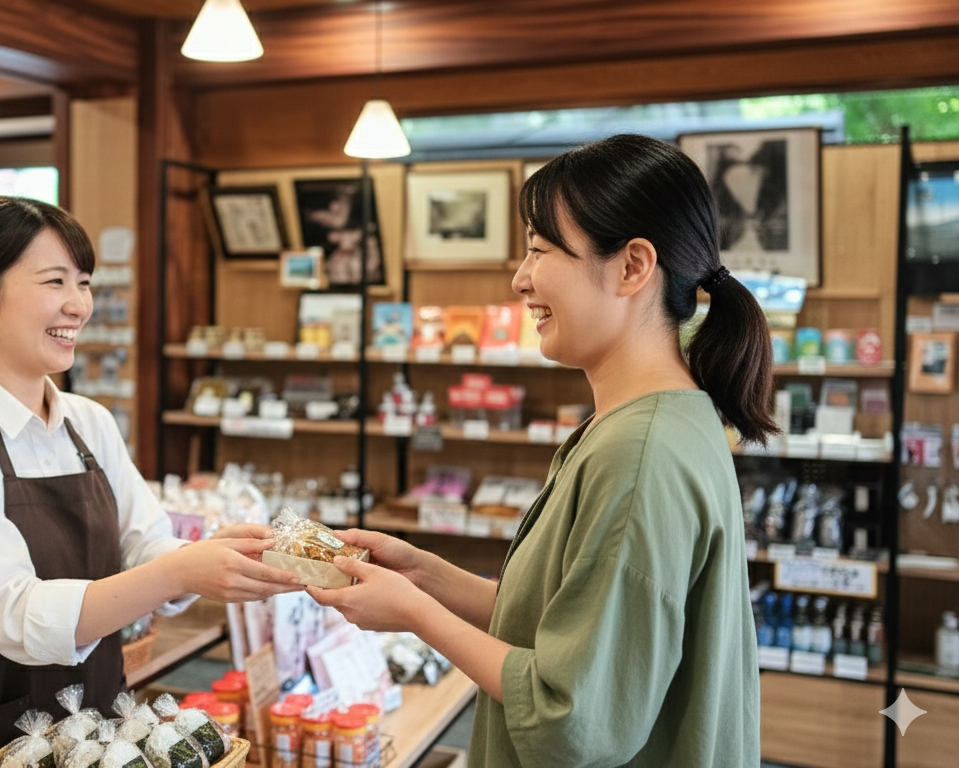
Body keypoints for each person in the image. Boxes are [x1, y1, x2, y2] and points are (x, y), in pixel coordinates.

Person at [310, 134, 770, 767]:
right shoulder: (654, 423)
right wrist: (427, 576)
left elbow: (573, 715)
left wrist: (416, 613)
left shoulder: (638, 457)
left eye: (539, 250)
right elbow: (568, 625)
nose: (520, 278)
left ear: (633, 267)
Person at [0, 196, 302, 752]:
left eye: (84, 282)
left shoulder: (89, 422)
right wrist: (181, 573)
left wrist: (205, 557)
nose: (78, 304)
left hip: (101, 733)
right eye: (55, 282)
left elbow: (141, 541)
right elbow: (14, 614)